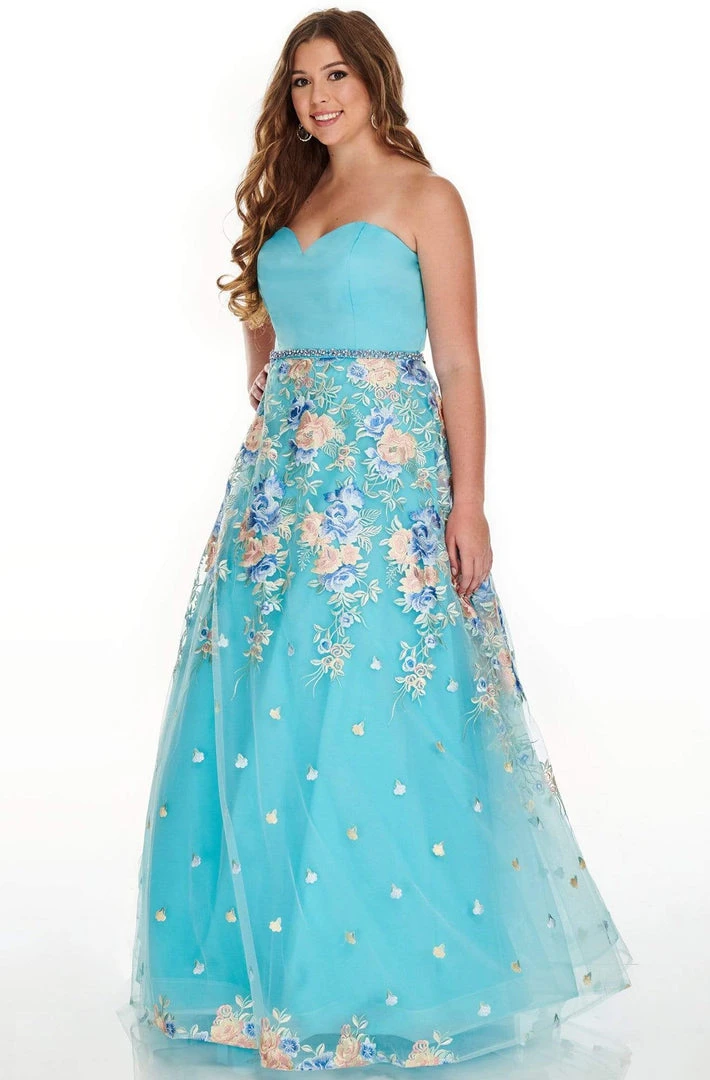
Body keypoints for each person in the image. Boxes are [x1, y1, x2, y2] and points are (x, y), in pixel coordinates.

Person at [119, 8, 632, 1072]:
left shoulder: (425, 198)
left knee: (378, 708)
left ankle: (385, 979)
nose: (318, 97)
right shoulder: (289, 198)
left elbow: (460, 363)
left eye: (336, 75)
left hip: (386, 496)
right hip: (279, 498)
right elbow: (264, 325)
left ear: (374, 81)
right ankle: (267, 977)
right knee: (268, 710)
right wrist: (272, 381)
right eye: (302, 80)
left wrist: (467, 505)